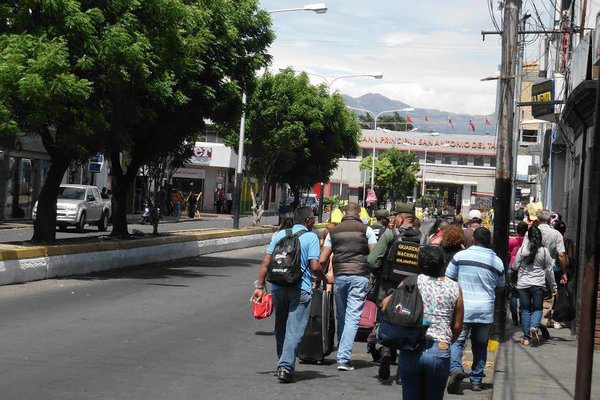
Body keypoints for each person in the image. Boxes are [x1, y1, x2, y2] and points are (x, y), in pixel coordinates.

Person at [251, 207, 329, 383]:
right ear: (308, 221)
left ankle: (283, 361)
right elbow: (315, 266)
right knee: (294, 330)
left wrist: (260, 286)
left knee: (280, 327)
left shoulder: (280, 235)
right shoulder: (311, 237)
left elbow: (266, 262)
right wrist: (325, 279)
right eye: (313, 219)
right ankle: (285, 367)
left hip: (278, 287)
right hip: (300, 289)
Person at [398, 245, 464, 400]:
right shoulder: (454, 287)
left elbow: (388, 306)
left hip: (411, 347)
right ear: (443, 264)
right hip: (440, 349)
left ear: (419, 263)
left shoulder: (410, 282)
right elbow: (457, 325)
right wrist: (446, 340)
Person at [446, 227, 505, 394]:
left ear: (472, 240)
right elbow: (500, 287)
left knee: (457, 341)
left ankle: (455, 369)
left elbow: (449, 278)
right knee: (480, 345)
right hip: (485, 310)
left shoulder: (460, 256)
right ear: (489, 242)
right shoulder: (497, 261)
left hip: (463, 308)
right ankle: (477, 380)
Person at [319, 203, 377, 371]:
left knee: (342, 315)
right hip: (360, 277)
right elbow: (374, 256)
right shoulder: (367, 230)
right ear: (359, 214)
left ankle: (342, 350)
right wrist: (372, 273)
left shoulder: (333, 232)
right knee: (353, 317)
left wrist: (320, 277)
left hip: (340, 277)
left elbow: (323, 259)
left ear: (345, 213)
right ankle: (344, 358)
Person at [367, 203, 421, 380]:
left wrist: (379, 271)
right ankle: (401, 371)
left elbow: (372, 259)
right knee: (408, 324)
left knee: (384, 319)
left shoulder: (390, 234)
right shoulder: (423, 238)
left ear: (400, 218)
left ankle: (386, 349)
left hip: (387, 288)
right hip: (413, 291)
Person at [521, 209, 567, 332]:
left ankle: (531, 323)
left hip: (531, 269)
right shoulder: (556, 234)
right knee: (547, 298)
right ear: (549, 219)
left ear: (537, 218)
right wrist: (564, 272)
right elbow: (561, 254)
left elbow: (524, 250)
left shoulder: (531, 232)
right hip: (549, 269)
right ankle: (542, 323)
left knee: (531, 298)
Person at [513, 225, 557, 346]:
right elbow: (549, 271)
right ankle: (534, 327)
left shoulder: (523, 250)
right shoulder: (544, 251)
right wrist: (554, 287)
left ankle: (526, 338)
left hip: (523, 285)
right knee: (537, 309)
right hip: (538, 285)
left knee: (525, 310)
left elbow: (515, 266)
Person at [508, 221, 529, 325]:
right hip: (524, 269)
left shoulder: (512, 241)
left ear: (517, 230)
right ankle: (522, 315)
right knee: (523, 293)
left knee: (513, 294)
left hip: (512, 267)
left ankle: (514, 317)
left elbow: (508, 253)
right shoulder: (528, 242)